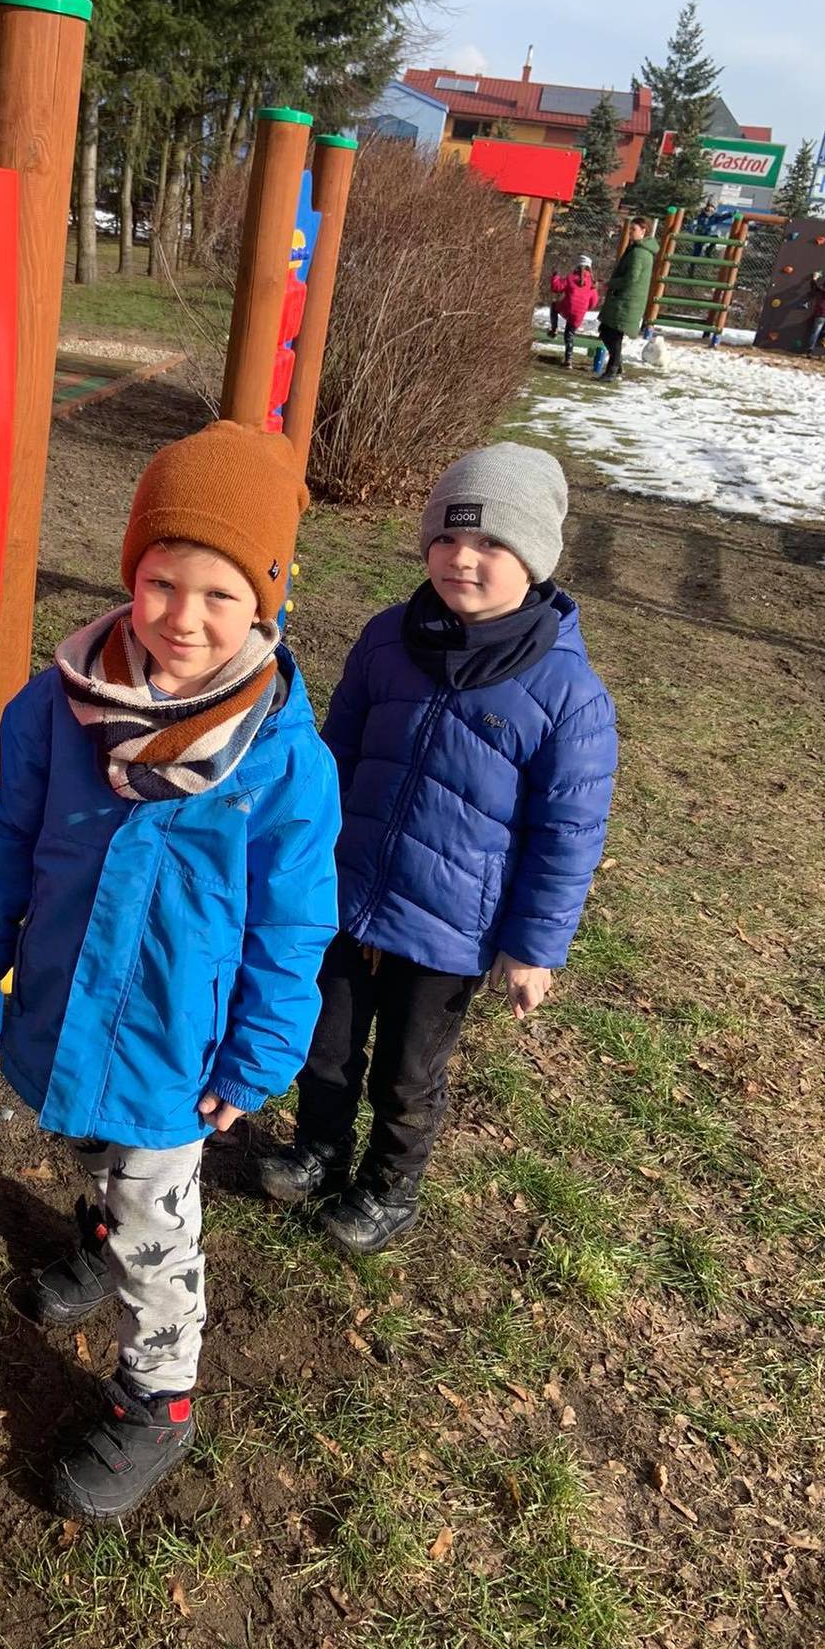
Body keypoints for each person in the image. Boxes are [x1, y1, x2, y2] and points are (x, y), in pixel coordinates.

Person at [0, 419, 339, 1520]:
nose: (183, 619)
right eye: (162, 583)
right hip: (67, 1006)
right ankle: (100, 1237)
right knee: (89, 1150)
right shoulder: (60, 705)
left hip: (177, 1042)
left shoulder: (282, 761)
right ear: (131, 573)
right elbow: (3, 841)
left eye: (220, 595)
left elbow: (294, 925)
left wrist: (259, 1053)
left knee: (159, 1224)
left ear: (265, 603)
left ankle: (160, 1394)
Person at [258, 443, 618, 1254]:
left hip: (451, 925)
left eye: (491, 543)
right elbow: (337, 752)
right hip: (350, 892)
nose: (463, 558)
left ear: (534, 559)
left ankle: (390, 1187)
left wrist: (533, 948)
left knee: (407, 1072)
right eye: (447, 537)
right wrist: (301, 851)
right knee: (326, 1040)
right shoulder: (389, 639)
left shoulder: (568, 695)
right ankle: (319, 1148)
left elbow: (567, 836)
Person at [595, 215, 657, 379]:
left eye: (633, 229)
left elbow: (631, 278)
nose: (630, 232)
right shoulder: (638, 250)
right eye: (630, 229)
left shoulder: (639, 253)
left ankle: (612, 370)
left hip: (625, 302)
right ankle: (617, 366)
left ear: (643, 231)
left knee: (613, 335)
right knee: (607, 332)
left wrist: (610, 284)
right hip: (624, 300)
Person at [548, 255, 598, 368]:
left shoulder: (571, 278)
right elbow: (594, 302)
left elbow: (557, 287)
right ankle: (568, 360)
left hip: (567, 308)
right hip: (579, 314)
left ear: (577, 266)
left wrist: (555, 276)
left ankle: (554, 329)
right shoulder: (592, 284)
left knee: (554, 306)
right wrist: (584, 307)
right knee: (569, 335)